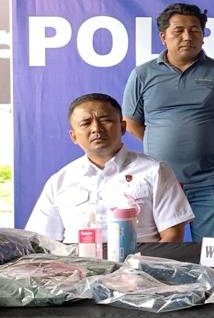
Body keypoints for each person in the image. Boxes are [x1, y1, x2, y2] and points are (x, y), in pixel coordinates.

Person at [122, 3, 214, 242]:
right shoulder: (142, 74)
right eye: (178, 31)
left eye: (195, 30)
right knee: (158, 252)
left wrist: (210, 144)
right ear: (163, 36)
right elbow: (131, 122)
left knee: (211, 249)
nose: (187, 37)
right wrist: (160, 143)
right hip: (157, 182)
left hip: (208, 181)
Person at [26, 93, 193, 243]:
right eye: (85, 123)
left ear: (122, 127)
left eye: (105, 120)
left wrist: (141, 266)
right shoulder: (59, 181)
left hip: (140, 265)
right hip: (76, 266)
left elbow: (172, 236)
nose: (96, 129)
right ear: (74, 136)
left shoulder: (155, 171)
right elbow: (42, 242)